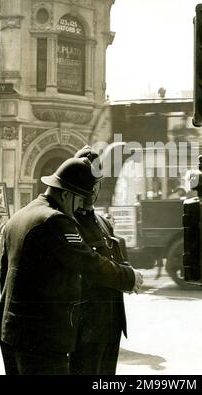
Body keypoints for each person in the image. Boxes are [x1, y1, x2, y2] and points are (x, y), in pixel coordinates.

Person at [0, 157, 143, 375]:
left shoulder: (19, 217)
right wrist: (130, 278)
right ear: (65, 194)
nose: (80, 206)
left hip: (10, 331)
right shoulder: (55, 220)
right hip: (41, 337)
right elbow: (89, 263)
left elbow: (4, 272)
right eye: (79, 199)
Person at [69, 146, 133, 375]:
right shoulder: (67, 223)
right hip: (85, 329)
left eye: (95, 182)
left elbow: (116, 262)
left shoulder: (104, 223)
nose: (91, 189)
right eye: (87, 182)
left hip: (112, 325)